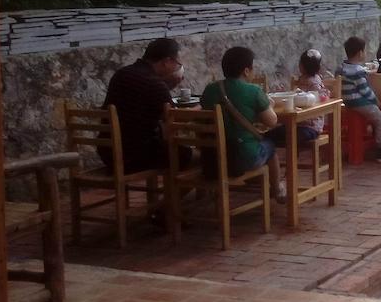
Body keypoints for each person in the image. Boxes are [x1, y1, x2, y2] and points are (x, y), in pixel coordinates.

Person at [200, 47, 285, 203]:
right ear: (246, 71)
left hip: (210, 160)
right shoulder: (253, 91)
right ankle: (276, 189)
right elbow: (272, 121)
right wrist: (270, 104)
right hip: (241, 158)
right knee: (270, 147)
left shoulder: (210, 89)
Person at [102, 37, 193, 173]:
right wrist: (202, 107)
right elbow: (174, 119)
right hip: (135, 155)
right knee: (199, 157)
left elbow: (147, 101)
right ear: (167, 62)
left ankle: (174, 195)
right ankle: (175, 195)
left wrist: (166, 86)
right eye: (178, 64)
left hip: (108, 153)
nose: (177, 68)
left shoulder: (122, 74)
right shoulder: (154, 83)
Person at [340, 36, 381, 162]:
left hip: (347, 101)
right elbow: (365, 90)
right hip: (358, 102)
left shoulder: (342, 68)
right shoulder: (358, 71)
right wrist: (375, 100)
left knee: (377, 115)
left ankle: (374, 138)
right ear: (360, 53)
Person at [267, 48, 329, 149]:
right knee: (270, 134)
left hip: (311, 127)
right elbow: (296, 95)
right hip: (296, 123)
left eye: (300, 63)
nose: (299, 65)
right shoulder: (301, 79)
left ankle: (293, 162)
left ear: (305, 66)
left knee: (292, 137)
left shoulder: (315, 82)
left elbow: (318, 99)